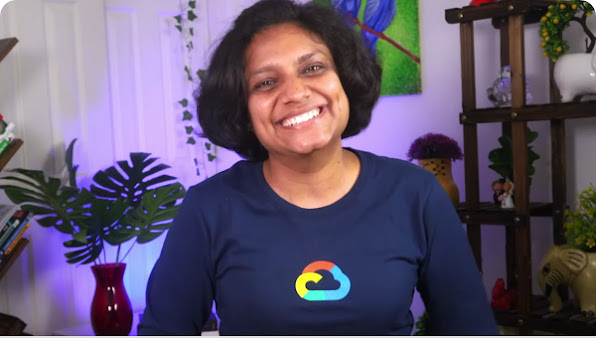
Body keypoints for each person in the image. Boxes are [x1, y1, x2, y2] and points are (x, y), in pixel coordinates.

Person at [138, 0, 498, 335]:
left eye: (313, 68)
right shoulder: (208, 208)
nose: (295, 93)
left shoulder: (416, 194)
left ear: (345, 80)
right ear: (244, 111)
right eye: (266, 82)